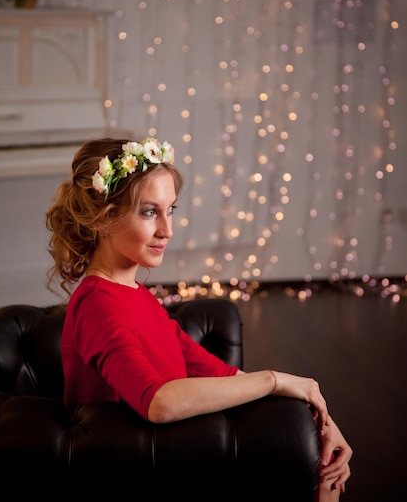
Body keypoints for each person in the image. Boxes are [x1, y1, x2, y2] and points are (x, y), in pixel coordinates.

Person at [46, 136, 352, 499]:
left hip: (166, 458)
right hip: (125, 475)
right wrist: (274, 380)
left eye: (170, 210)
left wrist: (322, 420)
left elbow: (223, 375)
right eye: (149, 212)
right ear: (104, 217)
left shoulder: (139, 298)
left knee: (322, 466)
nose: (167, 230)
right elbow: (159, 402)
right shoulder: (96, 302)